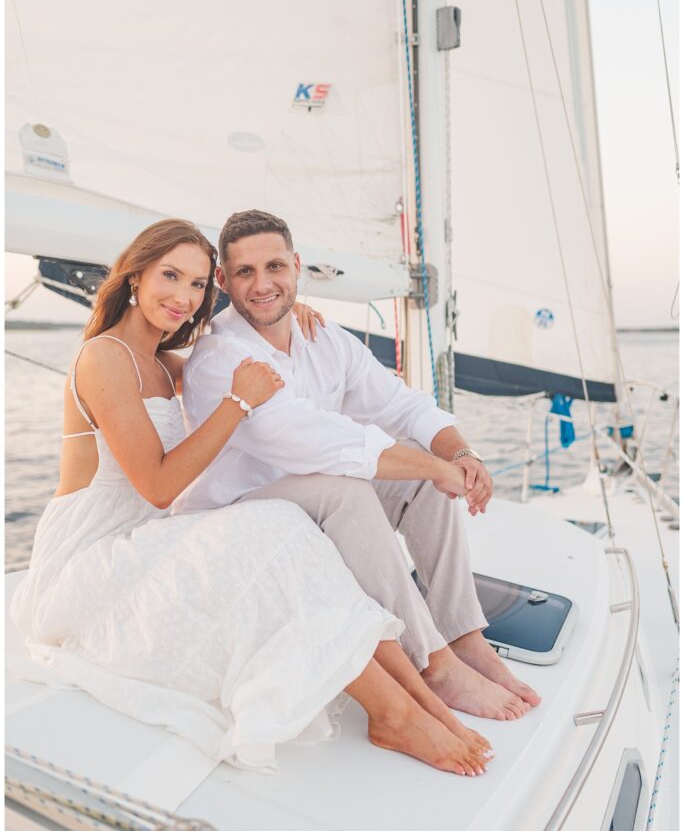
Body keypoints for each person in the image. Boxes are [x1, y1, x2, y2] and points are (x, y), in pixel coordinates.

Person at [10, 219, 493, 777]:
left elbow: (234, 364)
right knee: (281, 532)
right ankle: (395, 714)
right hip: (91, 556)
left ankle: (423, 694)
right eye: (171, 276)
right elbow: (160, 485)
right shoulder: (104, 357)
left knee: (290, 533)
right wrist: (237, 403)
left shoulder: (169, 365)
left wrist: (289, 317)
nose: (184, 297)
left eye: (196, 286)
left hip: (148, 536)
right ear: (134, 274)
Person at [178, 210, 542, 721]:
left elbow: (400, 403)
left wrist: (459, 454)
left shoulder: (324, 337)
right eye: (245, 272)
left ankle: (462, 635)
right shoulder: (221, 355)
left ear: (297, 267)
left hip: (308, 497)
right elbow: (316, 441)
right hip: (238, 511)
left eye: (275, 267)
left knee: (422, 478)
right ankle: (431, 661)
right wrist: (432, 465)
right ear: (223, 280)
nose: (263, 285)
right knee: (354, 485)